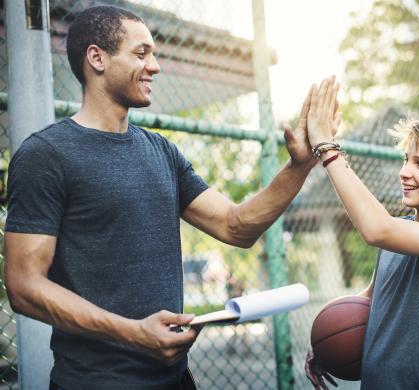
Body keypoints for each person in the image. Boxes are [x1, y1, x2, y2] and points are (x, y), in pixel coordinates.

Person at [3, 5, 319, 389]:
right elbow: (24, 285)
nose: (155, 66)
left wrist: (299, 166)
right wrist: (133, 332)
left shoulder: (162, 152)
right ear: (97, 58)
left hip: (175, 379)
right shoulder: (46, 155)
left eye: (153, 54)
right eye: (141, 54)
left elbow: (236, 226)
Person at [304, 77, 419, 390]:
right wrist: (328, 345)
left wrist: (327, 148)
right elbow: (370, 300)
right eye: (406, 160)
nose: (405, 171)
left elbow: (377, 229)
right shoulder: (398, 232)